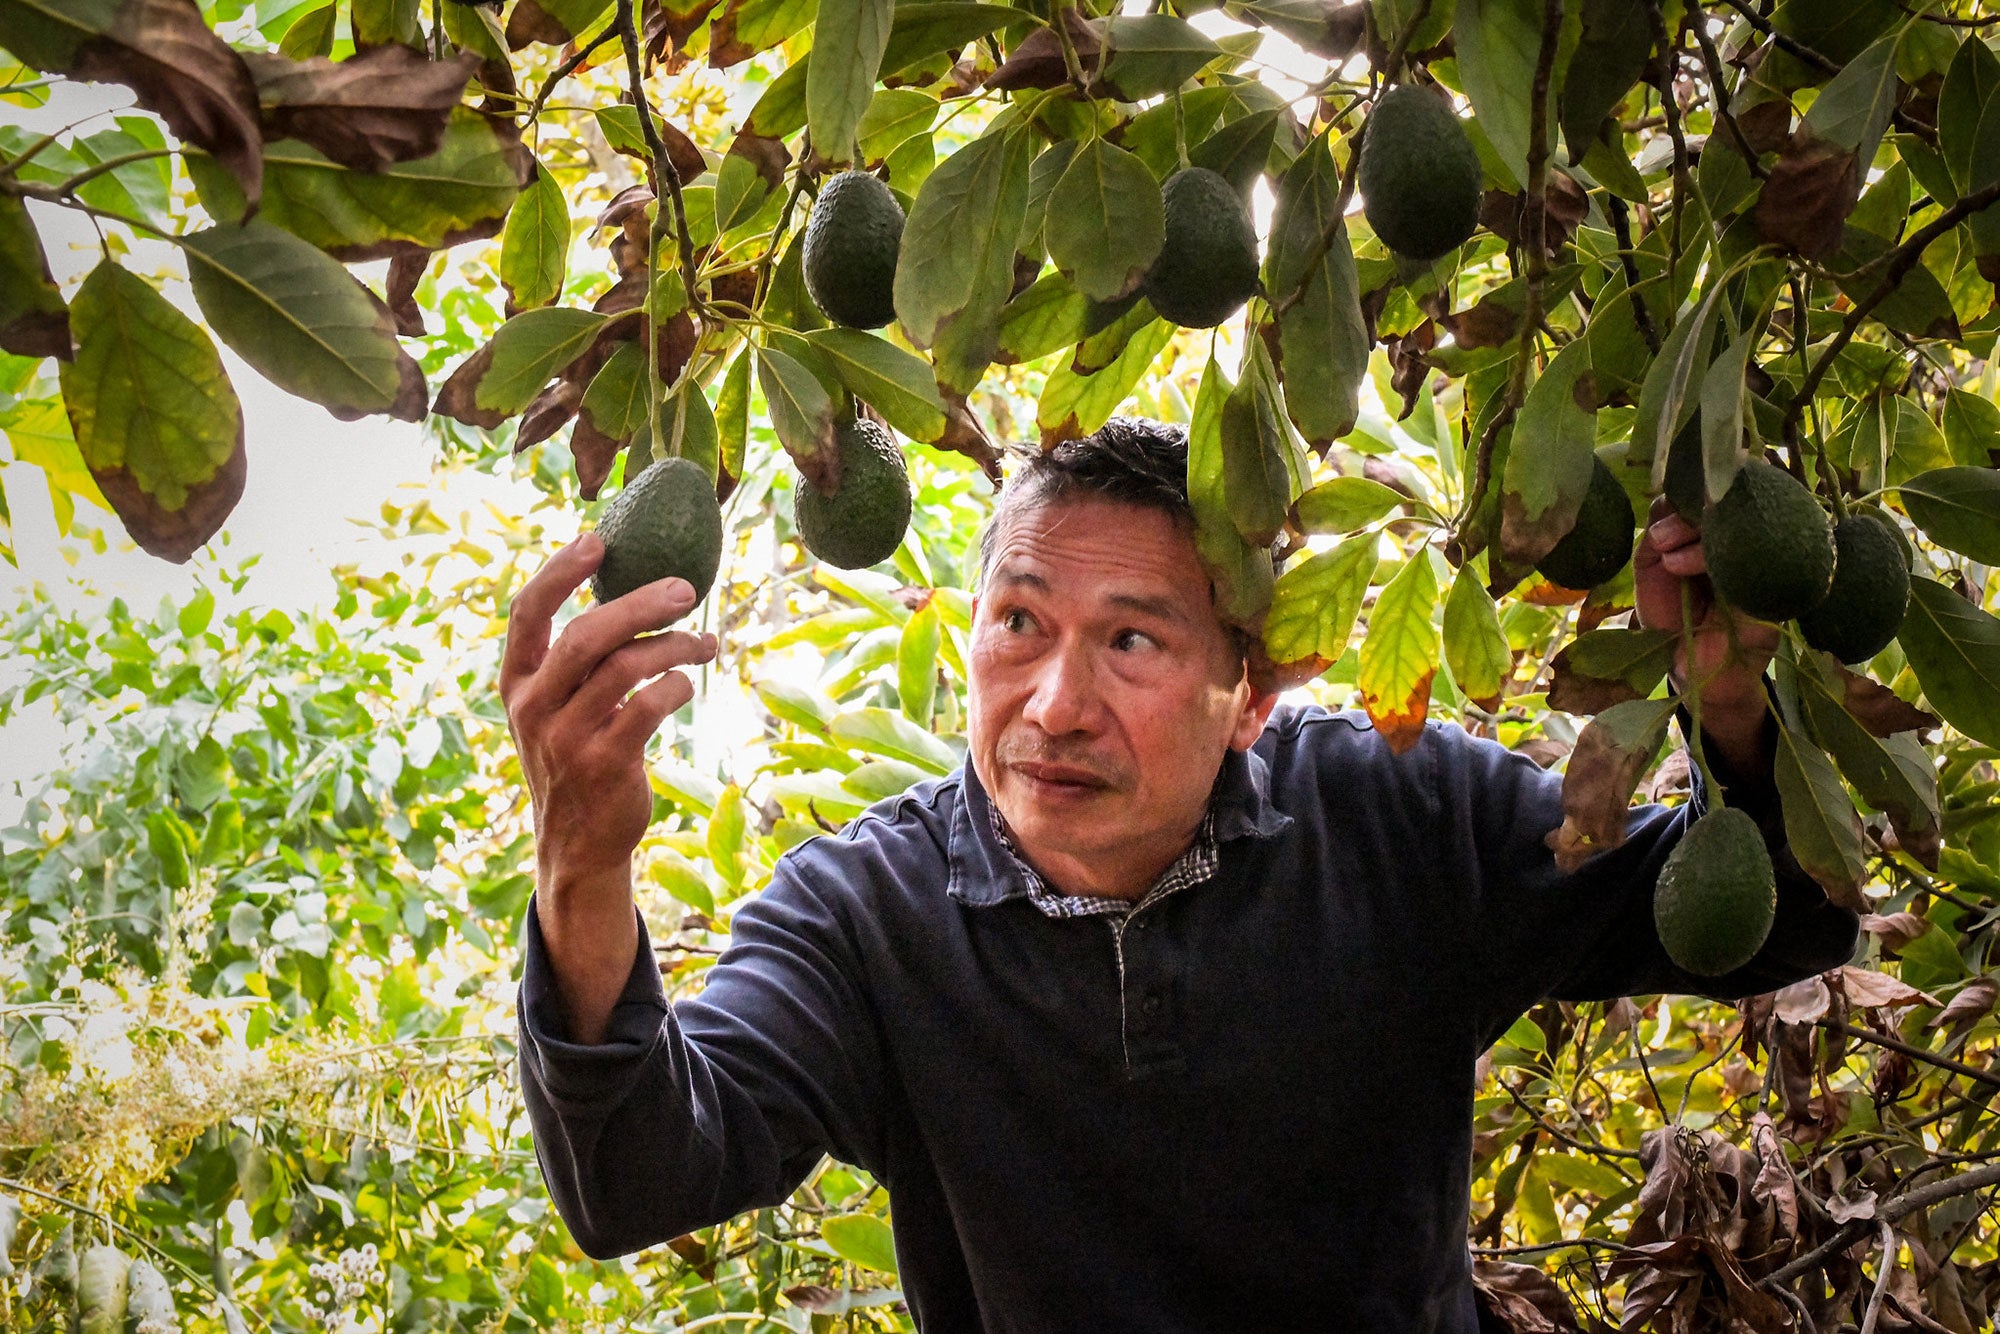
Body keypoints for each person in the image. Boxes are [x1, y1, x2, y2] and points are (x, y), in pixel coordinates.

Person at [501, 417, 1859, 1332]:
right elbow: (635, 1179)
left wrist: (1734, 710)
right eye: (1020, 622)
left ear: (1251, 689)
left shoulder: (1399, 814)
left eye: (1133, 643)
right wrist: (582, 863)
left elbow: (1772, 923)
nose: (1052, 704)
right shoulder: (863, 917)